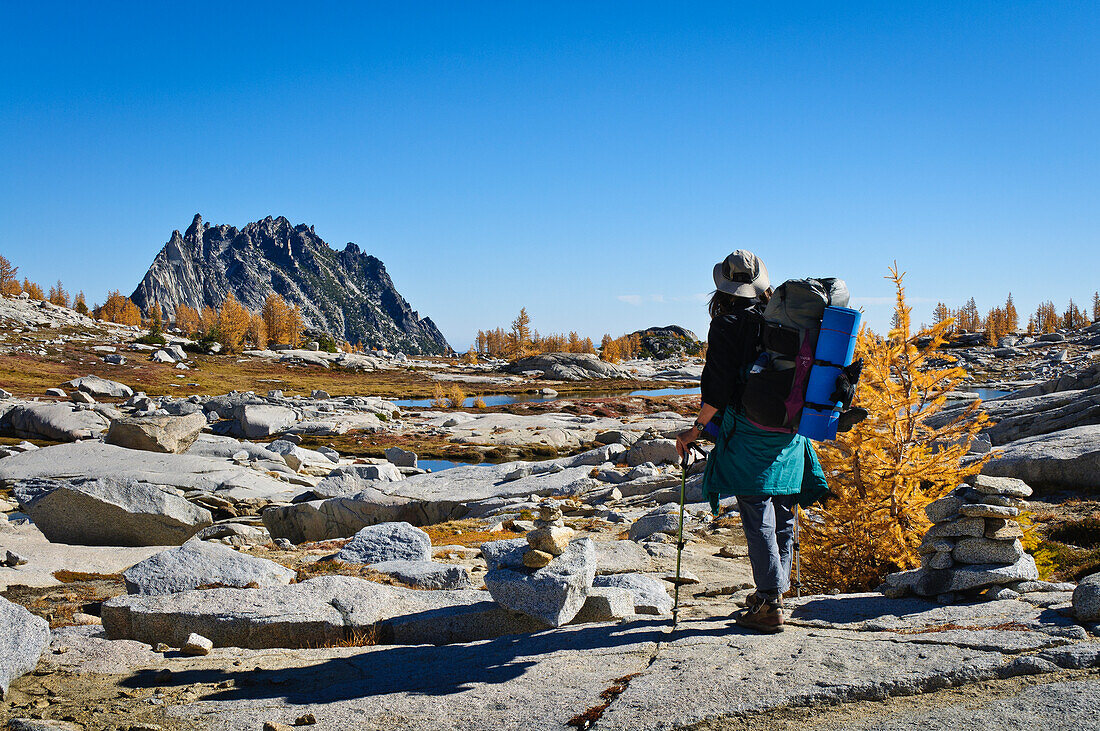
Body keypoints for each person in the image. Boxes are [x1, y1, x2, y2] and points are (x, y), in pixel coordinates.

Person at [676, 250, 828, 634]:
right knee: (784, 509)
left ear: (722, 288)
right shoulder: (783, 321)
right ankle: (773, 592)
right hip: (791, 428)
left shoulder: (727, 323)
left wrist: (695, 429)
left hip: (750, 430)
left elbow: (718, 387)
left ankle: (769, 602)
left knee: (757, 512)